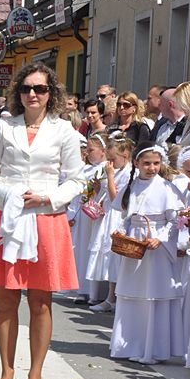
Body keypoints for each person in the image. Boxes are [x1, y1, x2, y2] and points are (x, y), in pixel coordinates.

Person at [0, 62, 85, 379]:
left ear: (52, 94)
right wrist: (8, 195)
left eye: (40, 89)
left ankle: (35, 375)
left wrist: (48, 197)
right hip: (8, 217)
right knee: (6, 300)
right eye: (27, 88)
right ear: (18, 93)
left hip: (46, 218)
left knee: (41, 302)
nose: (33, 94)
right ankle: (6, 371)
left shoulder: (64, 130)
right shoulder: (6, 127)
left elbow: (77, 179)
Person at [110, 142, 184, 364]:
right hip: (134, 245)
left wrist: (159, 238)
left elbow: (175, 221)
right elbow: (124, 216)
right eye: (147, 163)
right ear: (137, 163)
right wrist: (121, 232)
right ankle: (129, 344)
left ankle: (153, 349)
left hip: (155, 248)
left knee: (152, 295)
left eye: (156, 163)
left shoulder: (166, 188)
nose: (152, 168)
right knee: (133, 294)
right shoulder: (131, 187)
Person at [85, 133, 133, 311]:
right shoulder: (118, 170)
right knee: (110, 258)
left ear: (125, 156)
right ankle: (109, 297)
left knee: (115, 256)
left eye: (113, 159)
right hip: (107, 215)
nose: (110, 163)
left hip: (117, 217)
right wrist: (98, 188)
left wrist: (110, 177)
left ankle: (113, 297)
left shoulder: (127, 173)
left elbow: (117, 199)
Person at [67, 133, 107, 305]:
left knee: (93, 251)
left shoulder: (105, 168)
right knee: (81, 250)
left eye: (92, 150)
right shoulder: (86, 169)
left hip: (95, 215)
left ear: (103, 150)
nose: (88, 153)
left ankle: (95, 291)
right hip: (82, 214)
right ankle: (82, 287)